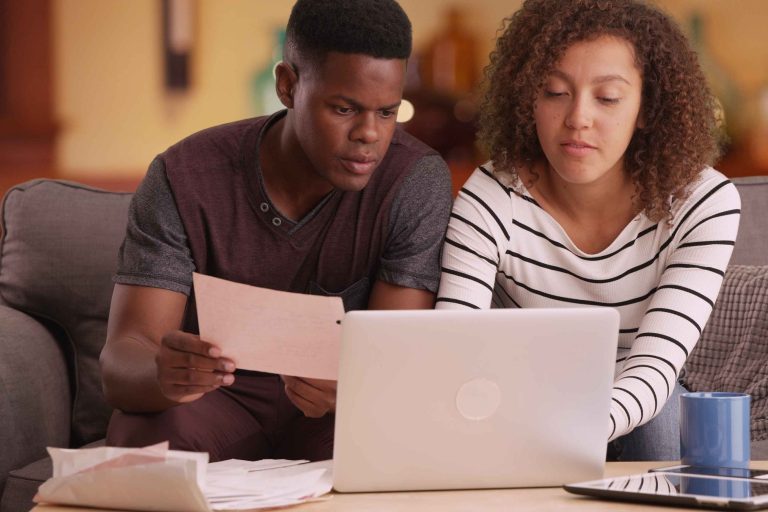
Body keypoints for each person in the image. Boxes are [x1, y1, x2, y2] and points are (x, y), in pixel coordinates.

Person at [100, 0, 452, 462]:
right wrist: (162, 375)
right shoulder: (184, 176)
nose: (370, 135)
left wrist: (356, 387)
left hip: (333, 418)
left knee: (394, 443)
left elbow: (397, 363)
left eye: (388, 112)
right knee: (137, 435)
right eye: (345, 109)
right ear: (287, 85)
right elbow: (122, 359)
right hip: (215, 404)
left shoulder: (413, 180)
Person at [436, 0, 741, 461]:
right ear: (528, 99)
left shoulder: (703, 201)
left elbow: (654, 370)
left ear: (646, 108)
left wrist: (566, 430)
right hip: (518, 408)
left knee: (658, 415)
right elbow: (450, 348)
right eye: (555, 92)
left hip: (640, 411)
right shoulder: (492, 196)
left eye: (608, 98)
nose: (578, 117)